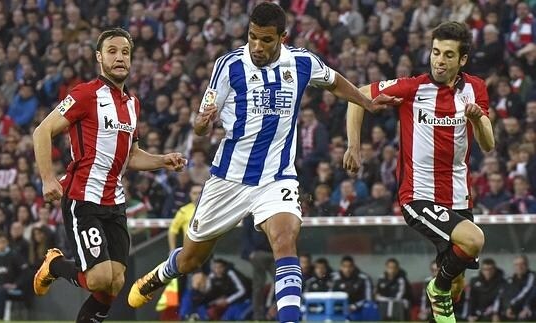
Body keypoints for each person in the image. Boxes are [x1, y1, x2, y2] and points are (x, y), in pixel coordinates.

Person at [127, 3, 399, 323]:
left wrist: (365, 101)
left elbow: (334, 81)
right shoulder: (229, 66)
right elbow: (201, 126)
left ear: (282, 37)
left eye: (266, 40)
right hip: (229, 178)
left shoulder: (301, 62)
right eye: (252, 37)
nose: (257, 45)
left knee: (285, 241)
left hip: (277, 176)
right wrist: (203, 122)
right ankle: (161, 273)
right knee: (190, 260)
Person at [31, 28, 186, 323]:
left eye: (125, 52)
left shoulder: (133, 104)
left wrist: (162, 160)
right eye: (112, 51)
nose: (119, 57)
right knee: (101, 277)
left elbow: (132, 155)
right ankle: (54, 265)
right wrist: (48, 178)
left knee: (114, 284)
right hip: (83, 198)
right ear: (99, 58)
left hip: (114, 202)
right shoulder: (85, 94)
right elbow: (42, 132)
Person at [344, 21, 495, 323]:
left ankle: (441, 297)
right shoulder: (413, 88)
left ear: (462, 60)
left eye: (448, 55)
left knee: (457, 286)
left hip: (459, 196)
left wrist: (478, 119)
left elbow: (488, 145)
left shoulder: (475, 88)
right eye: (436, 52)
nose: (439, 60)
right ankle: (436, 289)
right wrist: (354, 146)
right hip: (418, 195)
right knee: (474, 241)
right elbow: (358, 95)